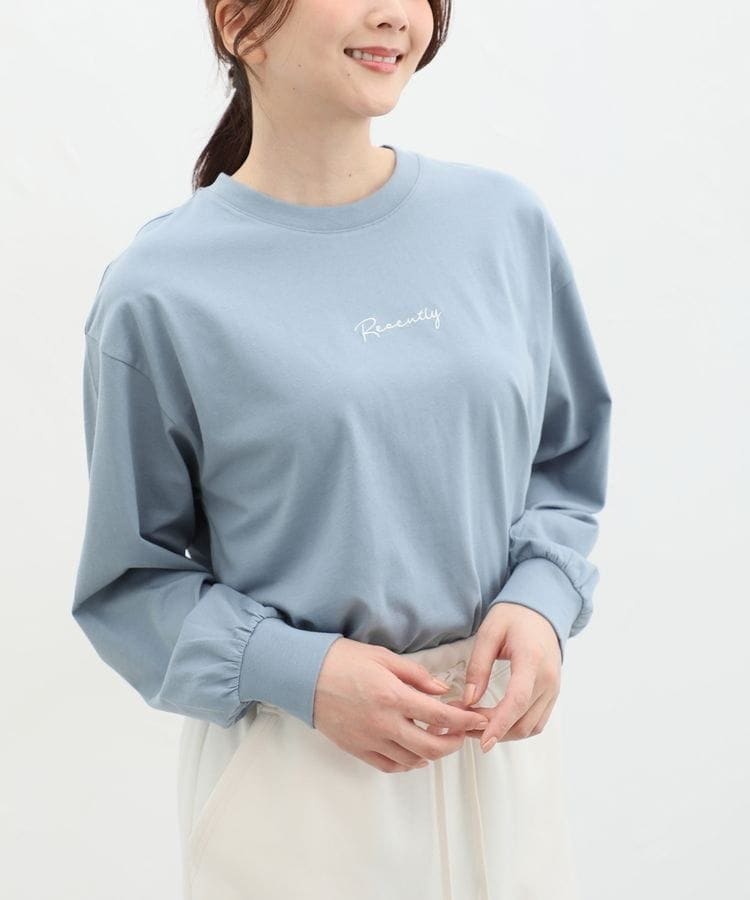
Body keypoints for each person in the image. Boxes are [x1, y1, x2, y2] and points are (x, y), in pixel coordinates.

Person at [72, 1, 612, 898]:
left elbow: (565, 458)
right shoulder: (159, 291)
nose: (396, 14)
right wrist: (301, 672)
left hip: (501, 755)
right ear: (240, 22)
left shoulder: (502, 223)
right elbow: (128, 586)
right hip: (300, 773)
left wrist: (542, 597)